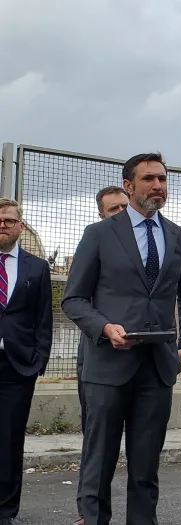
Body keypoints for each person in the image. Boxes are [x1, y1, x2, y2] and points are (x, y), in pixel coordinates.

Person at [62, 153, 181, 525]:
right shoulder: (99, 234)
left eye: (163, 179)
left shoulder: (177, 236)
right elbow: (73, 299)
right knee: (99, 461)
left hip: (156, 370)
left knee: (145, 468)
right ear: (129, 186)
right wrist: (105, 328)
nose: (158, 186)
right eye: (149, 179)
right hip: (107, 366)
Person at [73, 186, 129, 525]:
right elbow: (76, 298)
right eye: (113, 210)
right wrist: (105, 327)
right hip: (99, 353)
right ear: (101, 215)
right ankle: (89, 513)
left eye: (125, 206)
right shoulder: (95, 240)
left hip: (143, 359)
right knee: (98, 441)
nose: (121, 213)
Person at [0, 198, 53, 525]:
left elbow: (43, 319)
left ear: (21, 225)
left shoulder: (37, 267)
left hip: (17, 368)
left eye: (8, 220)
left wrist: (38, 362)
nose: (3, 225)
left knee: (9, 442)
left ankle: (6, 513)